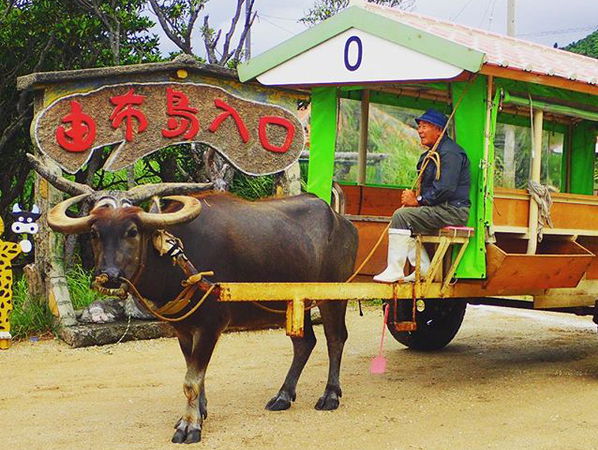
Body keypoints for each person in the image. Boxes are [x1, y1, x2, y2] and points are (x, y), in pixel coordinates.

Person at [373, 108, 471, 283]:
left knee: (401, 216)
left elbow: (446, 188)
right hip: (439, 208)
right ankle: (423, 269)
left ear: (439, 129)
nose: (420, 131)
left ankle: (395, 270)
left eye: (425, 126)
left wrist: (418, 200)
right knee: (406, 220)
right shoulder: (429, 155)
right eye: (419, 127)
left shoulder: (450, 153)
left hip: (453, 211)